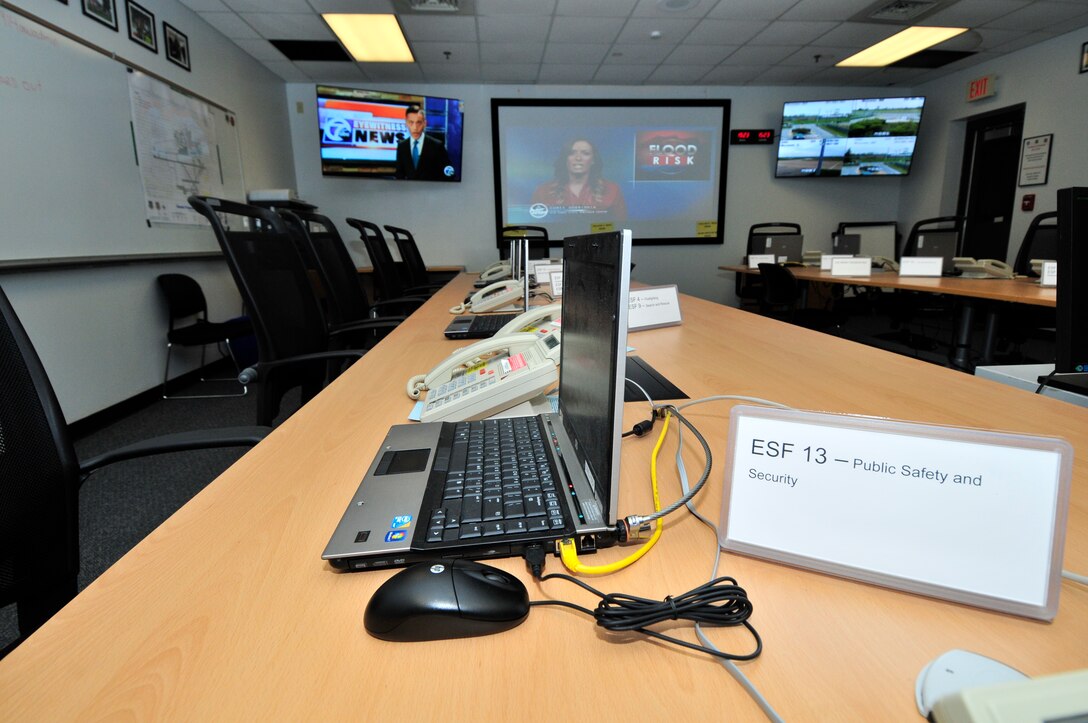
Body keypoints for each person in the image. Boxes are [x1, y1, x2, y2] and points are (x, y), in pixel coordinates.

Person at [530, 138, 627, 222]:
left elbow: (621, 226)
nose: (578, 158)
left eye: (585, 153)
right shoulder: (543, 191)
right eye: (572, 153)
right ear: (565, 159)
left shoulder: (612, 190)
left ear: (593, 160)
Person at [395, 104, 453, 181]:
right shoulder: (402, 146)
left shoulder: (437, 146)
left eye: (418, 122)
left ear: (424, 123)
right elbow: (399, 175)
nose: (415, 127)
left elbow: (449, 174)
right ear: (406, 123)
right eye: (411, 122)